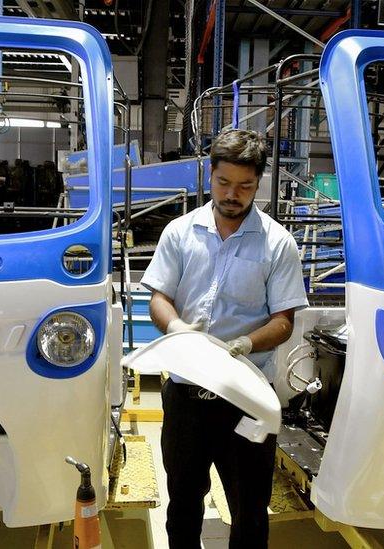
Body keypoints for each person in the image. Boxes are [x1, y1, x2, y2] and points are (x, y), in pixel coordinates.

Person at [141, 129, 309, 549]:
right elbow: (160, 298)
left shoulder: (277, 243)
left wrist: (247, 344)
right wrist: (176, 328)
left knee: (250, 509)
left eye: (245, 186)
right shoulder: (179, 234)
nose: (233, 194)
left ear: (258, 184)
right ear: (209, 176)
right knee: (181, 503)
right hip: (186, 397)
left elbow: (284, 320)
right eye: (224, 183)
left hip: (247, 397)